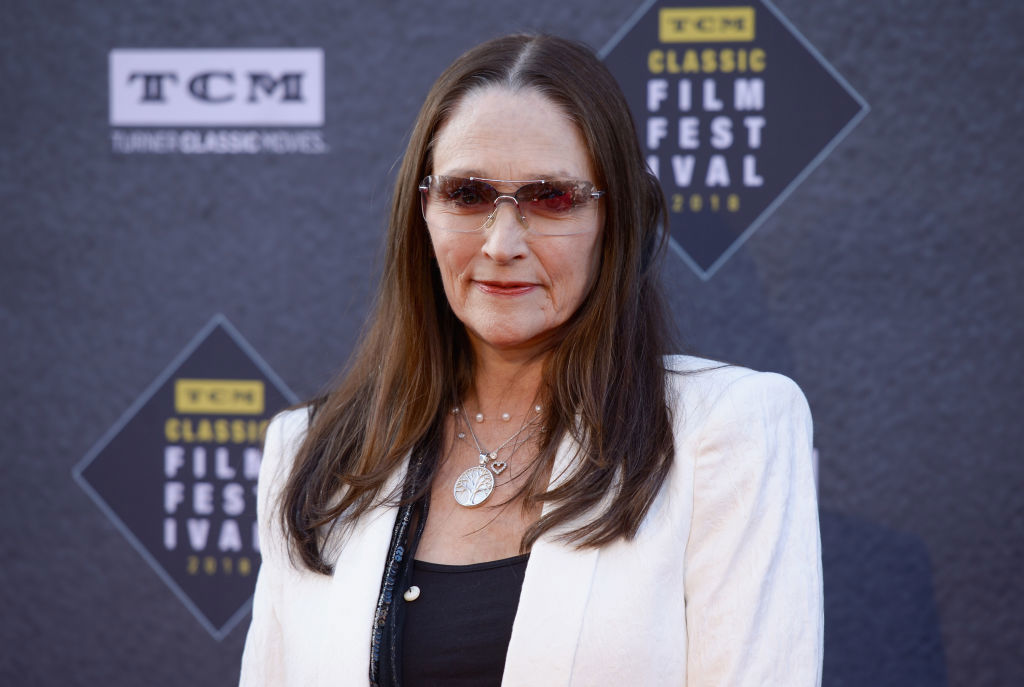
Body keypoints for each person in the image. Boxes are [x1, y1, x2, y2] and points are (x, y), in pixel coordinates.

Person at [240, 33, 822, 687]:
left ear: (616, 218)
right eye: (468, 194)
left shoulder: (725, 430)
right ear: (422, 212)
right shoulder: (313, 452)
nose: (502, 242)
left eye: (551, 198)